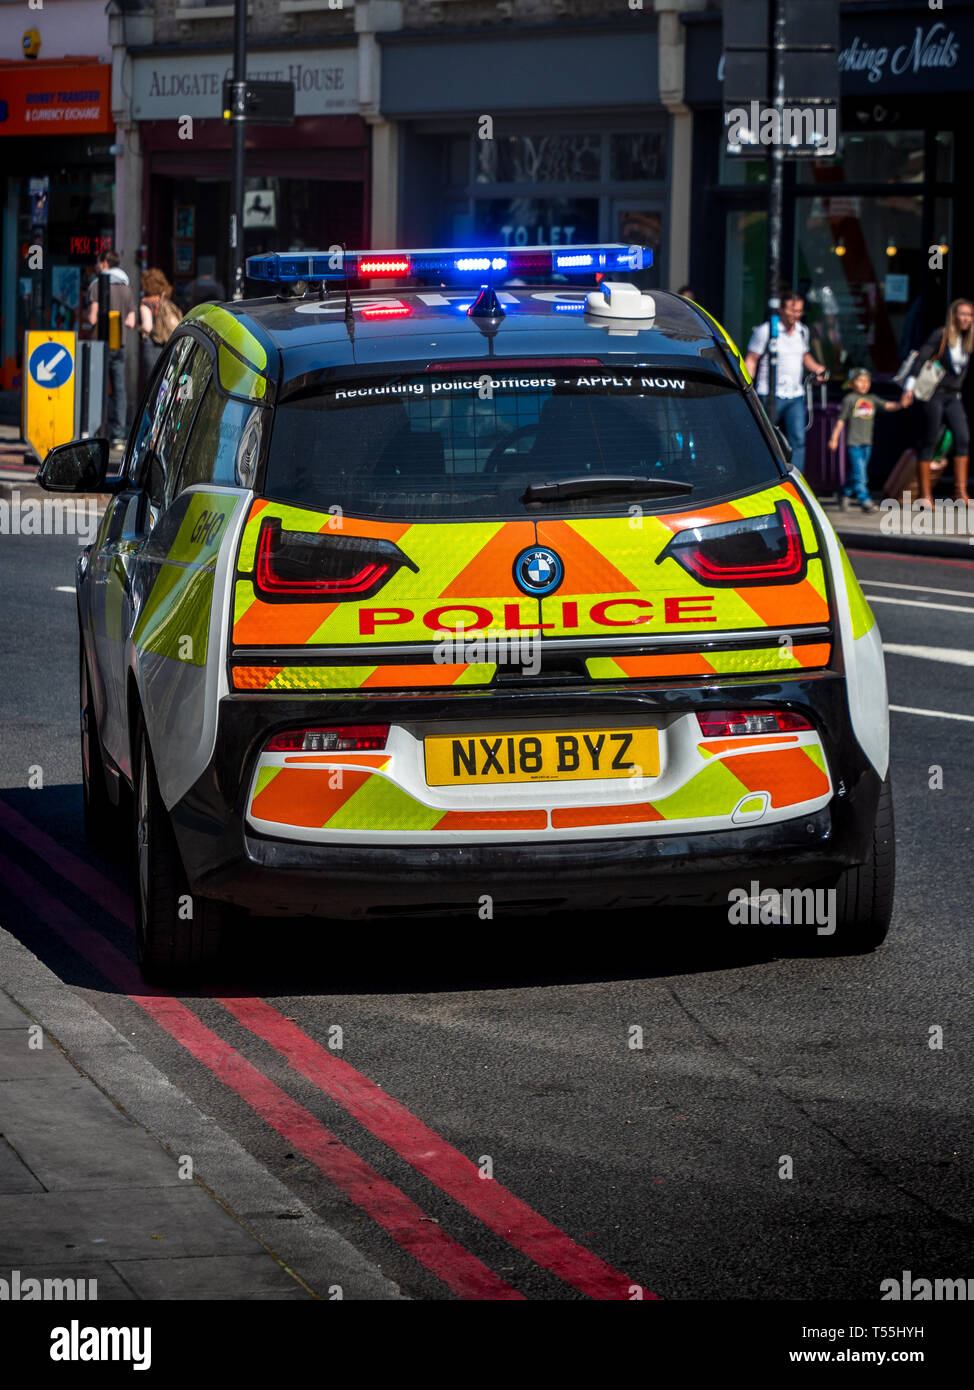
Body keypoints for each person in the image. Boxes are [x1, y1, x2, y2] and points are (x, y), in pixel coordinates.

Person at [900, 298, 973, 506]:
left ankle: (960, 493)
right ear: (954, 316)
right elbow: (921, 358)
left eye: (969, 315)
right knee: (930, 439)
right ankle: (925, 495)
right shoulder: (941, 334)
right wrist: (909, 388)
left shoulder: (968, 340)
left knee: (963, 438)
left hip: (953, 396)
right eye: (962, 314)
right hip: (935, 394)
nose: (966, 318)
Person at [744, 292, 827, 474]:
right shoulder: (767, 330)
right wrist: (747, 387)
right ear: (781, 310)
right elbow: (752, 358)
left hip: (795, 395)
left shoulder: (802, 331)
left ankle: (796, 480)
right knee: (767, 438)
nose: (795, 315)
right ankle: (763, 476)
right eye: (792, 310)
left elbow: (804, 356)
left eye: (799, 311)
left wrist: (817, 369)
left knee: (798, 440)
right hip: (770, 393)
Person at [829, 368, 899, 513]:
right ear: (852, 383)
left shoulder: (872, 399)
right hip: (853, 443)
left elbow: (887, 405)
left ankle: (844, 493)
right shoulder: (849, 399)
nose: (864, 384)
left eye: (867, 381)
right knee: (860, 474)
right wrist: (834, 438)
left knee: (856, 472)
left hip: (867, 443)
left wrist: (902, 404)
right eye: (860, 381)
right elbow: (841, 420)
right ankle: (864, 500)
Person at [86, 250, 136, 446]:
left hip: (100, 345)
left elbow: (92, 318)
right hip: (119, 343)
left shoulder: (97, 286)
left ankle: (97, 429)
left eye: (98, 262)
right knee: (119, 390)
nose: (97, 266)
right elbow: (131, 321)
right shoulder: (126, 288)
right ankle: (118, 434)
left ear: (105, 263)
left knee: (96, 387)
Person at [139, 268, 182, 385]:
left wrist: (138, 327)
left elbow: (147, 327)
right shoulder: (167, 302)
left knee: (153, 383)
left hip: (152, 346)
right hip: (168, 346)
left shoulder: (146, 303)